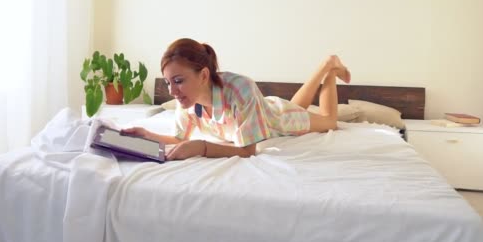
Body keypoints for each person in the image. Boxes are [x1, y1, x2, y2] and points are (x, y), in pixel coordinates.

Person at [121, 38, 350, 160]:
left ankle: (329, 68)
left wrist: (202, 147)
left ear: (203, 75)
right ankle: (325, 67)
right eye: (168, 82)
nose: (172, 91)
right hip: (266, 109)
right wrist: (147, 135)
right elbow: (178, 137)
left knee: (329, 121)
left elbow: (247, 151)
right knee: (295, 105)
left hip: (277, 118)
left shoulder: (241, 89)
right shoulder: (186, 100)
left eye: (178, 81)